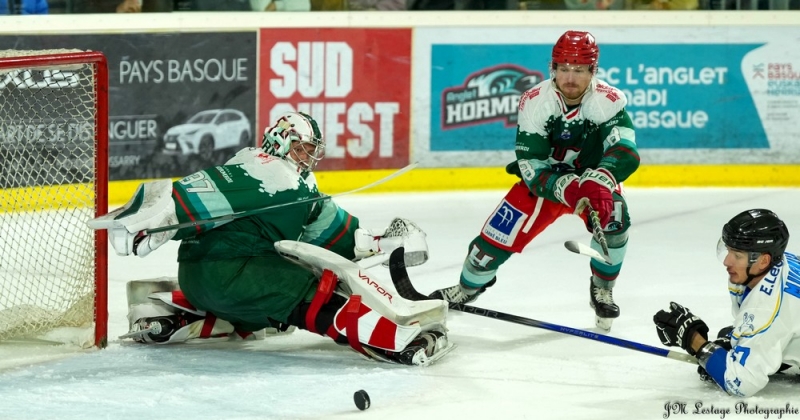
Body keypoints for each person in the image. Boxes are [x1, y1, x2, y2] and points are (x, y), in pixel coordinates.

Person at [89, 111, 452, 366]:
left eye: (311, 151)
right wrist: (156, 218)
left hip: (203, 282)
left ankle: (173, 315)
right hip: (231, 275)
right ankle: (397, 341)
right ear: (281, 141)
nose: (308, 157)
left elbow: (328, 230)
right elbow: (196, 194)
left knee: (274, 303)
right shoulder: (267, 171)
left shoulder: (279, 175)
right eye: (302, 148)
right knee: (313, 287)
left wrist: (381, 243)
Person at [429, 30, 640, 331]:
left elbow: (625, 150)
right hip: (546, 184)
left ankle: (602, 287)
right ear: (552, 68)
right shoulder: (535, 102)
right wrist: (567, 187)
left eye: (579, 70)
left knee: (616, 222)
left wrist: (599, 180)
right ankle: (467, 287)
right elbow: (531, 165)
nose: (570, 78)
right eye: (563, 68)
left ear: (593, 71)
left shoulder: (608, 101)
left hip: (593, 183)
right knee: (488, 246)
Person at [653, 209, 798, 397]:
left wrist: (694, 341)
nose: (727, 261)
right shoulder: (777, 265)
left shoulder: (765, 307)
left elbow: (741, 383)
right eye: (728, 250)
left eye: (737, 255)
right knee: (729, 339)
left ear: (763, 261)